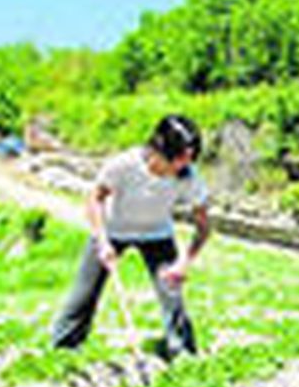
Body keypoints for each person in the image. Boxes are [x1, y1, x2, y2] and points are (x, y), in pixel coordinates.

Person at [51, 114, 211, 360]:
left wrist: (183, 263)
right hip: (113, 232)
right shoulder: (124, 165)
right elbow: (94, 198)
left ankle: (184, 355)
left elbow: (203, 226)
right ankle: (62, 351)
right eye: (179, 158)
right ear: (159, 149)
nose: (184, 165)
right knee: (83, 296)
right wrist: (102, 242)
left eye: (190, 158)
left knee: (172, 296)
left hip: (158, 235)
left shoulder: (189, 177)